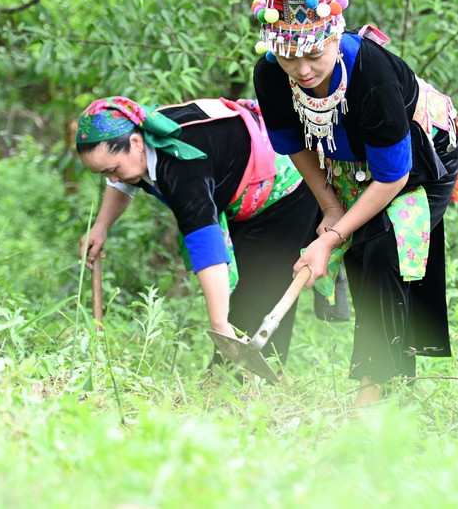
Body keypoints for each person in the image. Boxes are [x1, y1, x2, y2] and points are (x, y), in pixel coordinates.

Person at [251, 0, 458, 406]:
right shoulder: (272, 74)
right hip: (350, 166)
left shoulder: (372, 77)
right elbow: (296, 146)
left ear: (335, 36)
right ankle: (390, 384)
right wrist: (330, 209)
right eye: (290, 55)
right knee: (362, 259)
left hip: (421, 161)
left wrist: (332, 238)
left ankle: (374, 391)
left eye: (314, 53)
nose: (303, 68)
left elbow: (394, 176)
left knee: (383, 251)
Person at [77, 96, 323, 367]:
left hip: (287, 188)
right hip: (241, 192)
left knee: (258, 291)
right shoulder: (143, 131)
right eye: (104, 174)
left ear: (135, 143)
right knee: (246, 295)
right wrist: (100, 228)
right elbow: (123, 184)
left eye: (112, 170)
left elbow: (206, 247)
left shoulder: (181, 167)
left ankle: (242, 383)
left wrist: (218, 323)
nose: (112, 178)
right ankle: (237, 377)